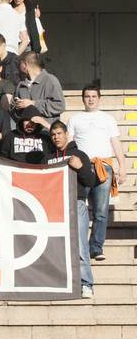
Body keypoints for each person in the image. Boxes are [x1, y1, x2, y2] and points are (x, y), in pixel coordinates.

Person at [68, 86, 129, 261]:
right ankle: (79, 246)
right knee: (80, 208)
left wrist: (122, 166)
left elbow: (115, 142)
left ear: (99, 98)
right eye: (87, 96)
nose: (91, 99)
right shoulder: (74, 119)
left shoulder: (107, 119)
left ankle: (96, 247)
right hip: (83, 168)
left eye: (94, 96)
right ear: (83, 99)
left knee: (101, 211)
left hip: (104, 165)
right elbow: (70, 144)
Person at [45, 121, 97, 297]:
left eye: (59, 133)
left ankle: (86, 284)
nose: (56, 137)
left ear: (67, 134)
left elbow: (91, 181)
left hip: (76, 202)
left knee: (81, 245)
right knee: (54, 245)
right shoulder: (48, 157)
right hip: (54, 205)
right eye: (53, 134)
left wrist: (81, 167)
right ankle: (58, 281)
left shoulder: (79, 154)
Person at [14, 51, 64, 124]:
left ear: (25, 65)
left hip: (46, 131)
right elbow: (14, 111)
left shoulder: (50, 80)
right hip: (26, 133)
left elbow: (59, 106)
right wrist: (17, 107)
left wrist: (33, 104)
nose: (18, 67)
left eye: (19, 64)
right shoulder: (21, 85)